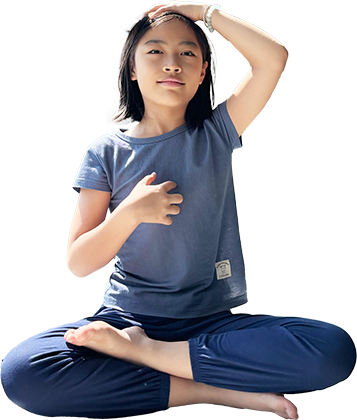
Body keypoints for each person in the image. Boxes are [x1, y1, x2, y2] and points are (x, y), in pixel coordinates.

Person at [1, 2, 355, 419]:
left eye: (188, 53)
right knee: (24, 372)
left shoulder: (218, 133)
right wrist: (128, 212)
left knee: (332, 351)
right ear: (131, 68)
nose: (172, 63)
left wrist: (207, 12)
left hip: (211, 324)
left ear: (203, 71)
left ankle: (148, 354)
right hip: (126, 317)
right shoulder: (105, 153)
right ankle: (225, 390)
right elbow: (80, 261)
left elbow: (273, 57)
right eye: (155, 51)